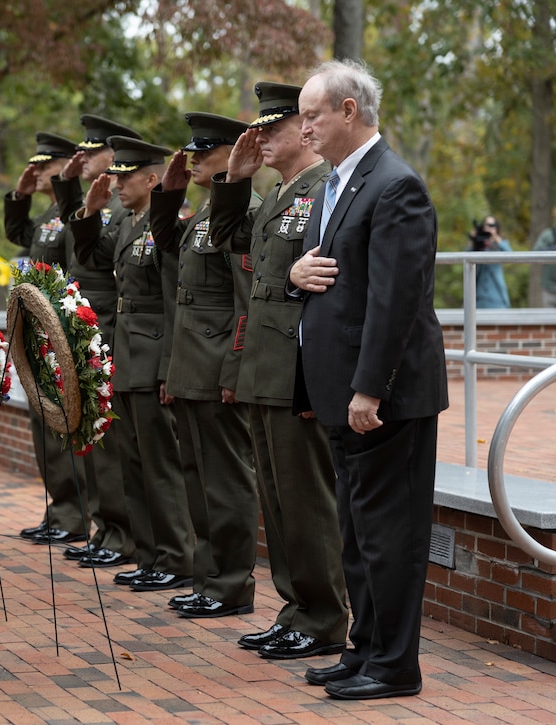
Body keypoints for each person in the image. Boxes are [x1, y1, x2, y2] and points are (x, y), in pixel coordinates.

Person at [289, 59, 448, 700]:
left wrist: (369, 389)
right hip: (342, 392)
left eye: (312, 116)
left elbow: (394, 302)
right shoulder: (339, 183)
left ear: (348, 111)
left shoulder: (394, 185)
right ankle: (365, 651)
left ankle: (394, 665)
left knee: (389, 535)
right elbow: (336, 277)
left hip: (383, 398)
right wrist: (296, 274)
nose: (304, 130)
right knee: (357, 533)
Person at [209, 82, 347, 654]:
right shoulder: (277, 195)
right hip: (264, 364)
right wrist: (235, 181)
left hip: (296, 366)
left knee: (305, 498)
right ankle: (296, 609)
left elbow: (329, 276)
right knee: (277, 496)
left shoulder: (324, 190)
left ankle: (323, 618)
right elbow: (225, 243)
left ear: (304, 130)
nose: (261, 138)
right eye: (259, 129)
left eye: (274, 128)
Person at [72, 136, 195, 592]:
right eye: (116, 176)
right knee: (135, 465)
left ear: (152, 179)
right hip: (125, 357)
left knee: (161, 467)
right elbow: (93, 257)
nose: (118, 184)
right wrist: (88, 211)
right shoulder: (127, 222)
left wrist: (168, 368)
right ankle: (149, 555)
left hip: (152, 358)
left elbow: (173, 302)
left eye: (127, 177)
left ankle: (178, 557)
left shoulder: (168, 224)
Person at [149, 113, 257, 613]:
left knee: (226, 481)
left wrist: (234, 373)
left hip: (218, 369)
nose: (192, 159)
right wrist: (166, 198)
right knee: (196, 478)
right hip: (192, 366)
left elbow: (245, 302)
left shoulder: (243, 211)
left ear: (235, 154)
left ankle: (231, 584)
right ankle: (207, 577)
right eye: (192, 151)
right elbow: (168, 253)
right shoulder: (206, 214)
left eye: (205, 150)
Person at [53, 114, 142, 570]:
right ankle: (106, 528)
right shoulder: (105, 207)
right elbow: (79, 244)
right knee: (91, 435)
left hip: (111, 329)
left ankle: (120, 533)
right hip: (92, 330)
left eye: (93, 153)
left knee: (111, 443)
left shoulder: (128, 210)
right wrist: (73, 194)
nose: (83, 159)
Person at [4, 131, 90, 546]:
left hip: (62, 332)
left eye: (44, 166)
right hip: (42, 333)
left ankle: (74, 515)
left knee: (63, 429)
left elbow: (81, 265)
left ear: (65, 167)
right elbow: (21, 235)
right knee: (44, 431)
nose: (35, 172)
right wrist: (19, 197)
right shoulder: (49, 215)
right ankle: (58, 509)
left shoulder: (74, 211)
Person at [468, 216, 511, 309]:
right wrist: (473, 241)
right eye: (485, 225)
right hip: (477, 298)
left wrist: (496, 239)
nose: (488, 228)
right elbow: (465, 259)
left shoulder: (499, 245)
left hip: (496, 296)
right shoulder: (478, 245)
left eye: (492, 225)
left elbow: (511, 256)